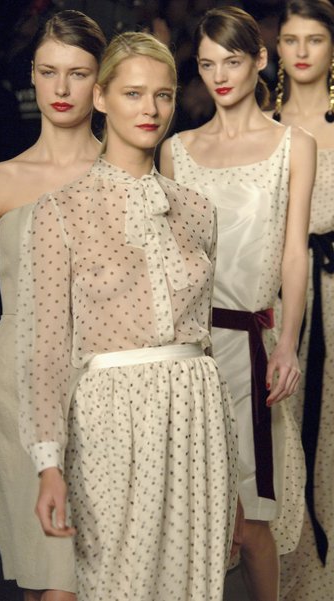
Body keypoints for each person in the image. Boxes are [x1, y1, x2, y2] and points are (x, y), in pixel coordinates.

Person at [16, 30, 238, 601]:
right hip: (110, 418)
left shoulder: (196, 209)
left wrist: (233, 468)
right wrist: (48, 464)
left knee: (195, 586)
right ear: (101, 98)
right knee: (118, 584)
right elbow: (44, 351)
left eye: (163, 95)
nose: (150, 110)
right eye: (134, 94)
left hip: (198, 413)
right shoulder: (59, 213)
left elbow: (207, 342)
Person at [0, 9, 106, 601]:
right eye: (49, 71)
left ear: (100, 81)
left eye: (78, 73)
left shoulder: (126, 174)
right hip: (15, 387)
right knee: (41, 579)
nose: (62, 88)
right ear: (31, 75)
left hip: (103, 388)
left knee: (73, 583)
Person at [160, 7, 315, 601]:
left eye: (231, 61)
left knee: (252, 524)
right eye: (206, 65)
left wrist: (287, 342)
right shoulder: (177, 151)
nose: (219, 76)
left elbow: (294, 254)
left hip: (254, 349)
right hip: (189, 350)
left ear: (260, 59)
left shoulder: (292, 146)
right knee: (198, 517)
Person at [270, 1, 334, 599]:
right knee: (287, 444)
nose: (303, 51)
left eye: (315, 39)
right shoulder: (263, 123)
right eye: (291, 39)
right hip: (281, 300)